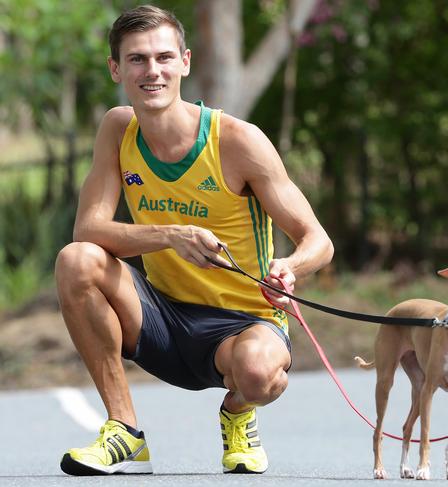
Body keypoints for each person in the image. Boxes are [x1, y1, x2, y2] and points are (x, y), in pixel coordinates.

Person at [55, 4, 333, 476]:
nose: (152, 71)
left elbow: (317, 240)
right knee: (76, 259)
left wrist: (290, 268)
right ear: (116, 69)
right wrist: (169, 235)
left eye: (164, 57)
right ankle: (124, 430)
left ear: (185, 62)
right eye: (138, 59)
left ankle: (239, 412)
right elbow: (89, 230)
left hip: (243, 323)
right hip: (159, 316)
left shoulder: (237, 141)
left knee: (259, 373)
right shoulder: (117, 129)